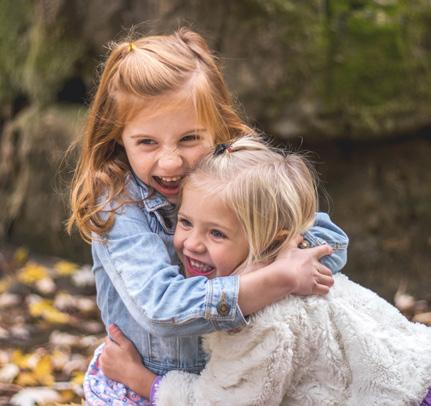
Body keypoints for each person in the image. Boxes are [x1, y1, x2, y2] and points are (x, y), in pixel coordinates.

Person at [67, 28, 348, 404]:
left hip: (232, 381)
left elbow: (331, 244)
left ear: (218, 127)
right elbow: (162, 307)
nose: (170, 162)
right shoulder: (119, 204)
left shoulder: (235, 178)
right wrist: (271, 279)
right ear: (118, 136)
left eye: (189, 139)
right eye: (147, 142)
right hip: (145, 383)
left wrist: (273, 260)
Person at [100, 136, 431, 406]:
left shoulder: (264, 320)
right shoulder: (290, 268)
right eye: (185, 222)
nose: (192, 244)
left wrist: (141, 381)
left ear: (269, 240)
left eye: (217, 233)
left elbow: (222, 403)